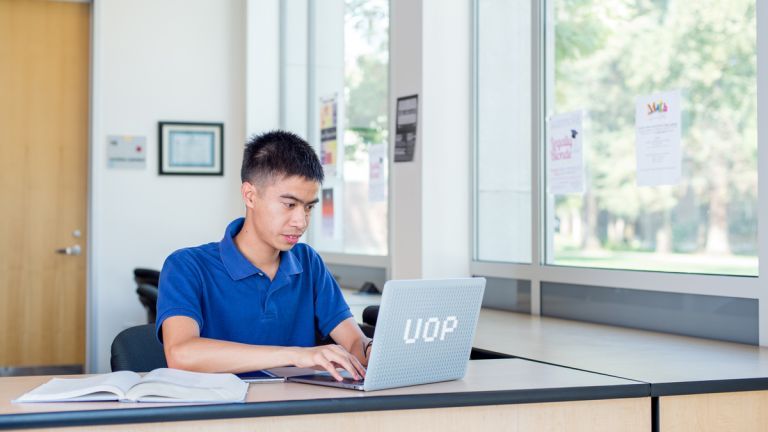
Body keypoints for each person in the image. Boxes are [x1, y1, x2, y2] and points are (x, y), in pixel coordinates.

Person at [156, 130, 370, 381]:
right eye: (289, 204)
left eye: (309, 207)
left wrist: (371, 349)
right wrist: (296, 355)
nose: (301, 221)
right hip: (221, 415)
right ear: (250, 195)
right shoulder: (187, 266)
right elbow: (181, 355)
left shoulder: (308, 262)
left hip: (299, 412)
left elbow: (355, 341)